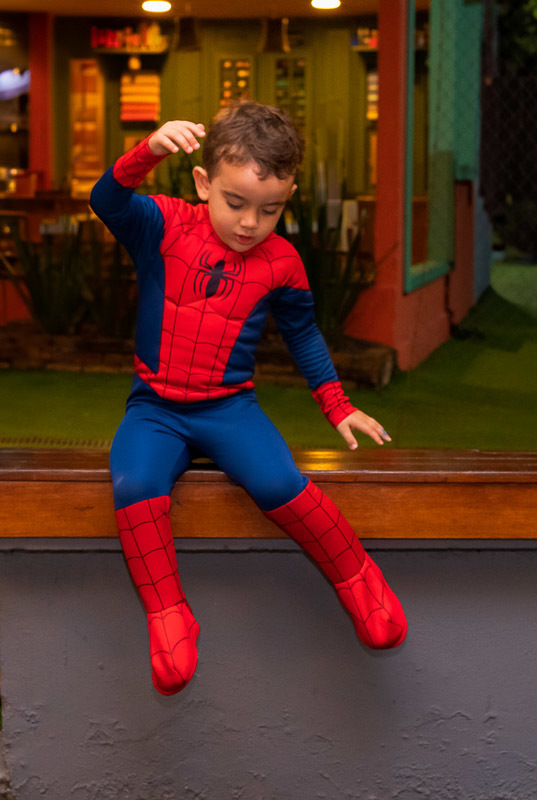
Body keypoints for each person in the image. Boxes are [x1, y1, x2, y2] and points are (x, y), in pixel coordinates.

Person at [90, 101, 406, 696]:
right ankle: (169, 617)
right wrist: (148, 150)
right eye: (235, 203)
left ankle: (360, 579)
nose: (249, 224)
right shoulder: (162, 224)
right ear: (204, 183)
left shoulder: (283, 262)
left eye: (271, 209)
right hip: (155, 410)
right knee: (134, 485)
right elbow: (105, 200)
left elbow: (304, 333)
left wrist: (337, 404)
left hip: (230, 408)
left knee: (280, 483)